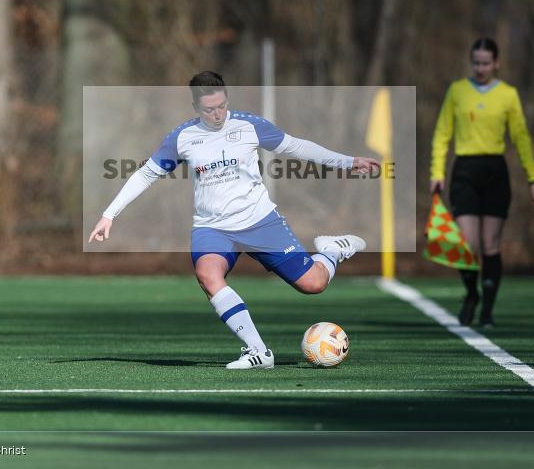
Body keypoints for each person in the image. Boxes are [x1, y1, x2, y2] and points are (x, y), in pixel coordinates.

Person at [88, 71, 379, 369]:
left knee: (313, 284)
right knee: (207, 274)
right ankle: (258, 351)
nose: (217, 114)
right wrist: (109, 214)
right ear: (195, 107)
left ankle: (332, 249)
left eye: (222, 106)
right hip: (212, 228)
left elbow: (297, 146)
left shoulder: (250, 125)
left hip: (260, 221)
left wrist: (347, 161)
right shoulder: (183, 137)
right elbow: (147, 173)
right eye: (209, 109)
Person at [429, 37, 534, 327]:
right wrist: (437, 172)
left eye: (486, 63)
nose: (480, 68)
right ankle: (471, 294)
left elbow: (520, 137)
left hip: (494, 171)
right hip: (464, 170)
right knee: (468, 244)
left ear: (496, 63)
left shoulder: (507, 94)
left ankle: (488, 310)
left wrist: (533, 178)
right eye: (476, 62)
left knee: (490, 244)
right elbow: (442, 134)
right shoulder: (457, 91)